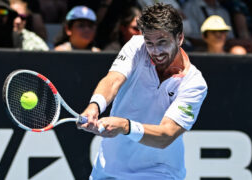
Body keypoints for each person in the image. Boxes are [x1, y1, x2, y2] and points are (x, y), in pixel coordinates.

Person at [78, 3, 207, 179]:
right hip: (108, 168)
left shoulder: (194, 84)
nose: (156, 51)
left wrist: (125, 126)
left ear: (180, 38)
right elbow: (113, 79)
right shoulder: (136, 46)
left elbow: (166, 135)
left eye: (163, 42)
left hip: (159, 171)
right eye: (150, 43)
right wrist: (95, 105)